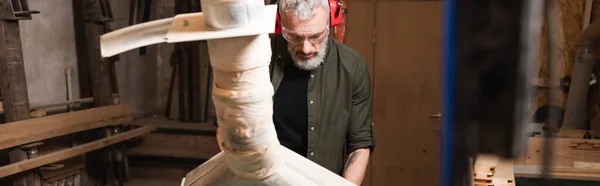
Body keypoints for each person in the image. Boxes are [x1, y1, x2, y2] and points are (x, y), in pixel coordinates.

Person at [215, 0, 375, 184]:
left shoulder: (352, 67)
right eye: (295, 37)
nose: (306, 48)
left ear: (331, 22)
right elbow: (226, 129)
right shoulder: (254, 62)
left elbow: (360, 145)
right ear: (279, 23)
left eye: (316, 36)